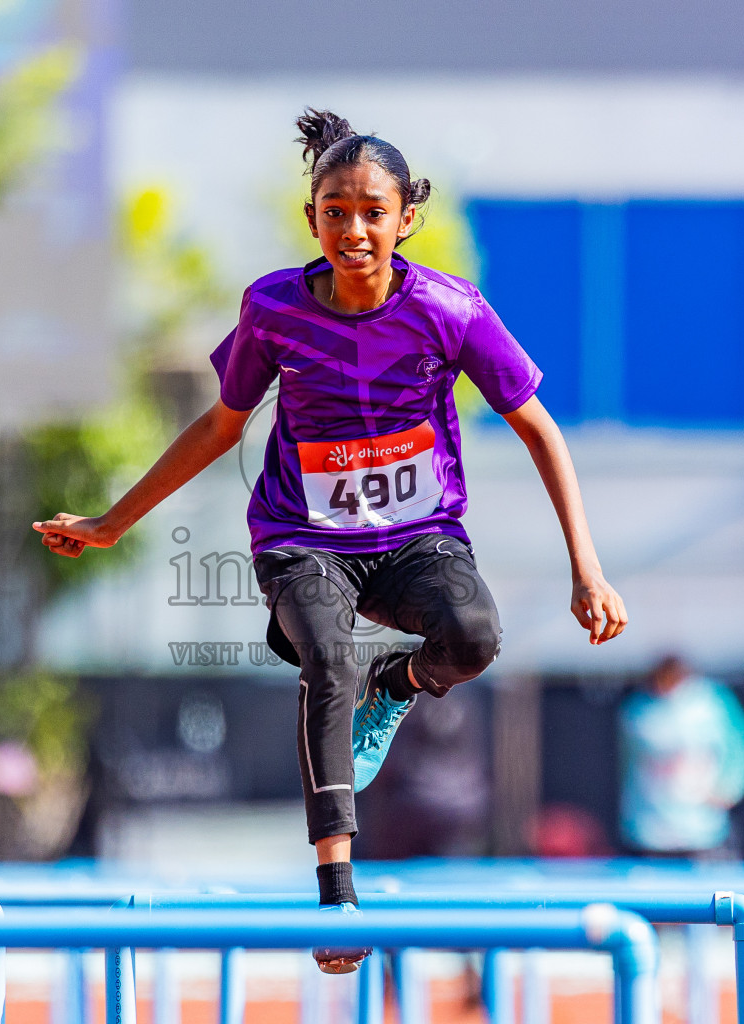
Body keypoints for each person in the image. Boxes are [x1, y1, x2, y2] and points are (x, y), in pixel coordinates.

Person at [34, 108, 627, 972]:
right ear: (313, 219)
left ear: (405, 220)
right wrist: (112, 521)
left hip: (419, 538)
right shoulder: (273, 308)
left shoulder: (451, 311)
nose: (354, 229)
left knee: (474, 638)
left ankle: (398, 682)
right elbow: (219, 426)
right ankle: (337, 891)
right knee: (330, 660)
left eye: (372, 211)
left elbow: (540, 428)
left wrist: (588, 567)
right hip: (301, 540)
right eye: (336, 210)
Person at [617, 655, 744, 857]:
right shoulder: (638, 709)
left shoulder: (711, 702)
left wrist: (730, 788)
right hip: (650, 832)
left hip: (702, 831)